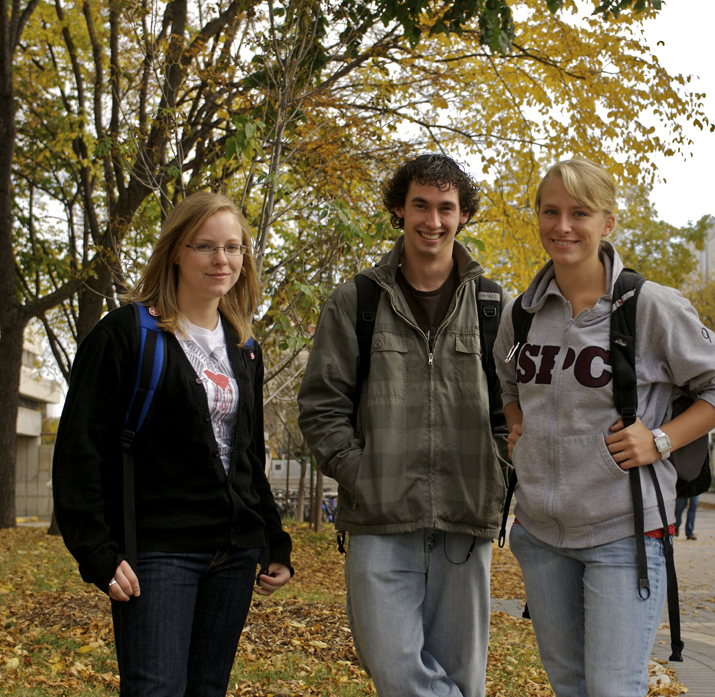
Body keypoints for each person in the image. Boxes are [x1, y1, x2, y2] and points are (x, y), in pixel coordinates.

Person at [495, 158, 715, 696]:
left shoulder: (649, 306)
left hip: (623, 533)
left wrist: (661, 440)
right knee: (570, 685)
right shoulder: (520, 314)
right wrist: (516, 426)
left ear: (607, 223)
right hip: (540, 536)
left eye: (579, 213)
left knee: (613, 688)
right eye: (551, 212)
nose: (563, 226)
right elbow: (507, 385)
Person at [53, 192, 293, 697]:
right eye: (205, 246)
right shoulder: (127, 334)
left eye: (233, 247)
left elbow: (246, 453)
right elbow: (80, 451)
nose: (221, 260)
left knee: (208, 689)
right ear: (176, 251)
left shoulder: (244, 346)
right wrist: (96, 550)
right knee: (155, 689)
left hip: (233, 555)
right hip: (160, 554)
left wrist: (273, 541)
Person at [297, 154, 510, 697]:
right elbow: (322, 405)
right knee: (393, 668)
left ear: (463, 216)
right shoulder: (357, 300)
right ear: (399, 208)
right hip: (379, 518)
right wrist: (361, 473)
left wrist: (501, 472)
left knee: (464, 676)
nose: (432, 221)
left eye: (446, 208)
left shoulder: (494, 306)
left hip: (465, 517)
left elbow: (516, 408)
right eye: (421, 205)